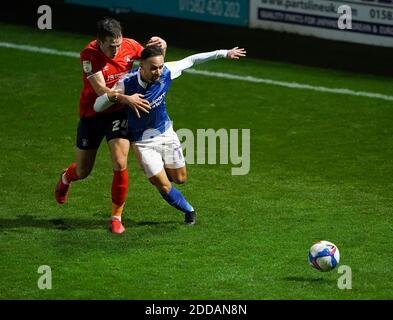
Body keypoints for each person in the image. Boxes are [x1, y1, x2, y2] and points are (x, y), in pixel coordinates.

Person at [94, 45, 246, 226]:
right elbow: (97, 106)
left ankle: (158, 169)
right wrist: (120, 98)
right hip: (142, 142)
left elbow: (191, 60)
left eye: (160, 67)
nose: (158, 72)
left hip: (166, 133)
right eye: (153, 68)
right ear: (141, 65)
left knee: (180, 179)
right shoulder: (127, 84)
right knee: (163, 184)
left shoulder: (167, 72)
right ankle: (189, 210)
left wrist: (224, 53)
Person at [54, 18, 167, 234]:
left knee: (120, 161)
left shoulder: (130, 45)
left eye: (118, 44)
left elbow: (153, 63)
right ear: (100, 41)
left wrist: (161, 46)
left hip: (118, 113)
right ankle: (66, 177)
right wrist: (128, 98)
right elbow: (101, 92)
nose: (116, 50)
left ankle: (116, 217)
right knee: (83, 170)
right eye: (111, 46)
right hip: (93, 113)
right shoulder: (89, 55)